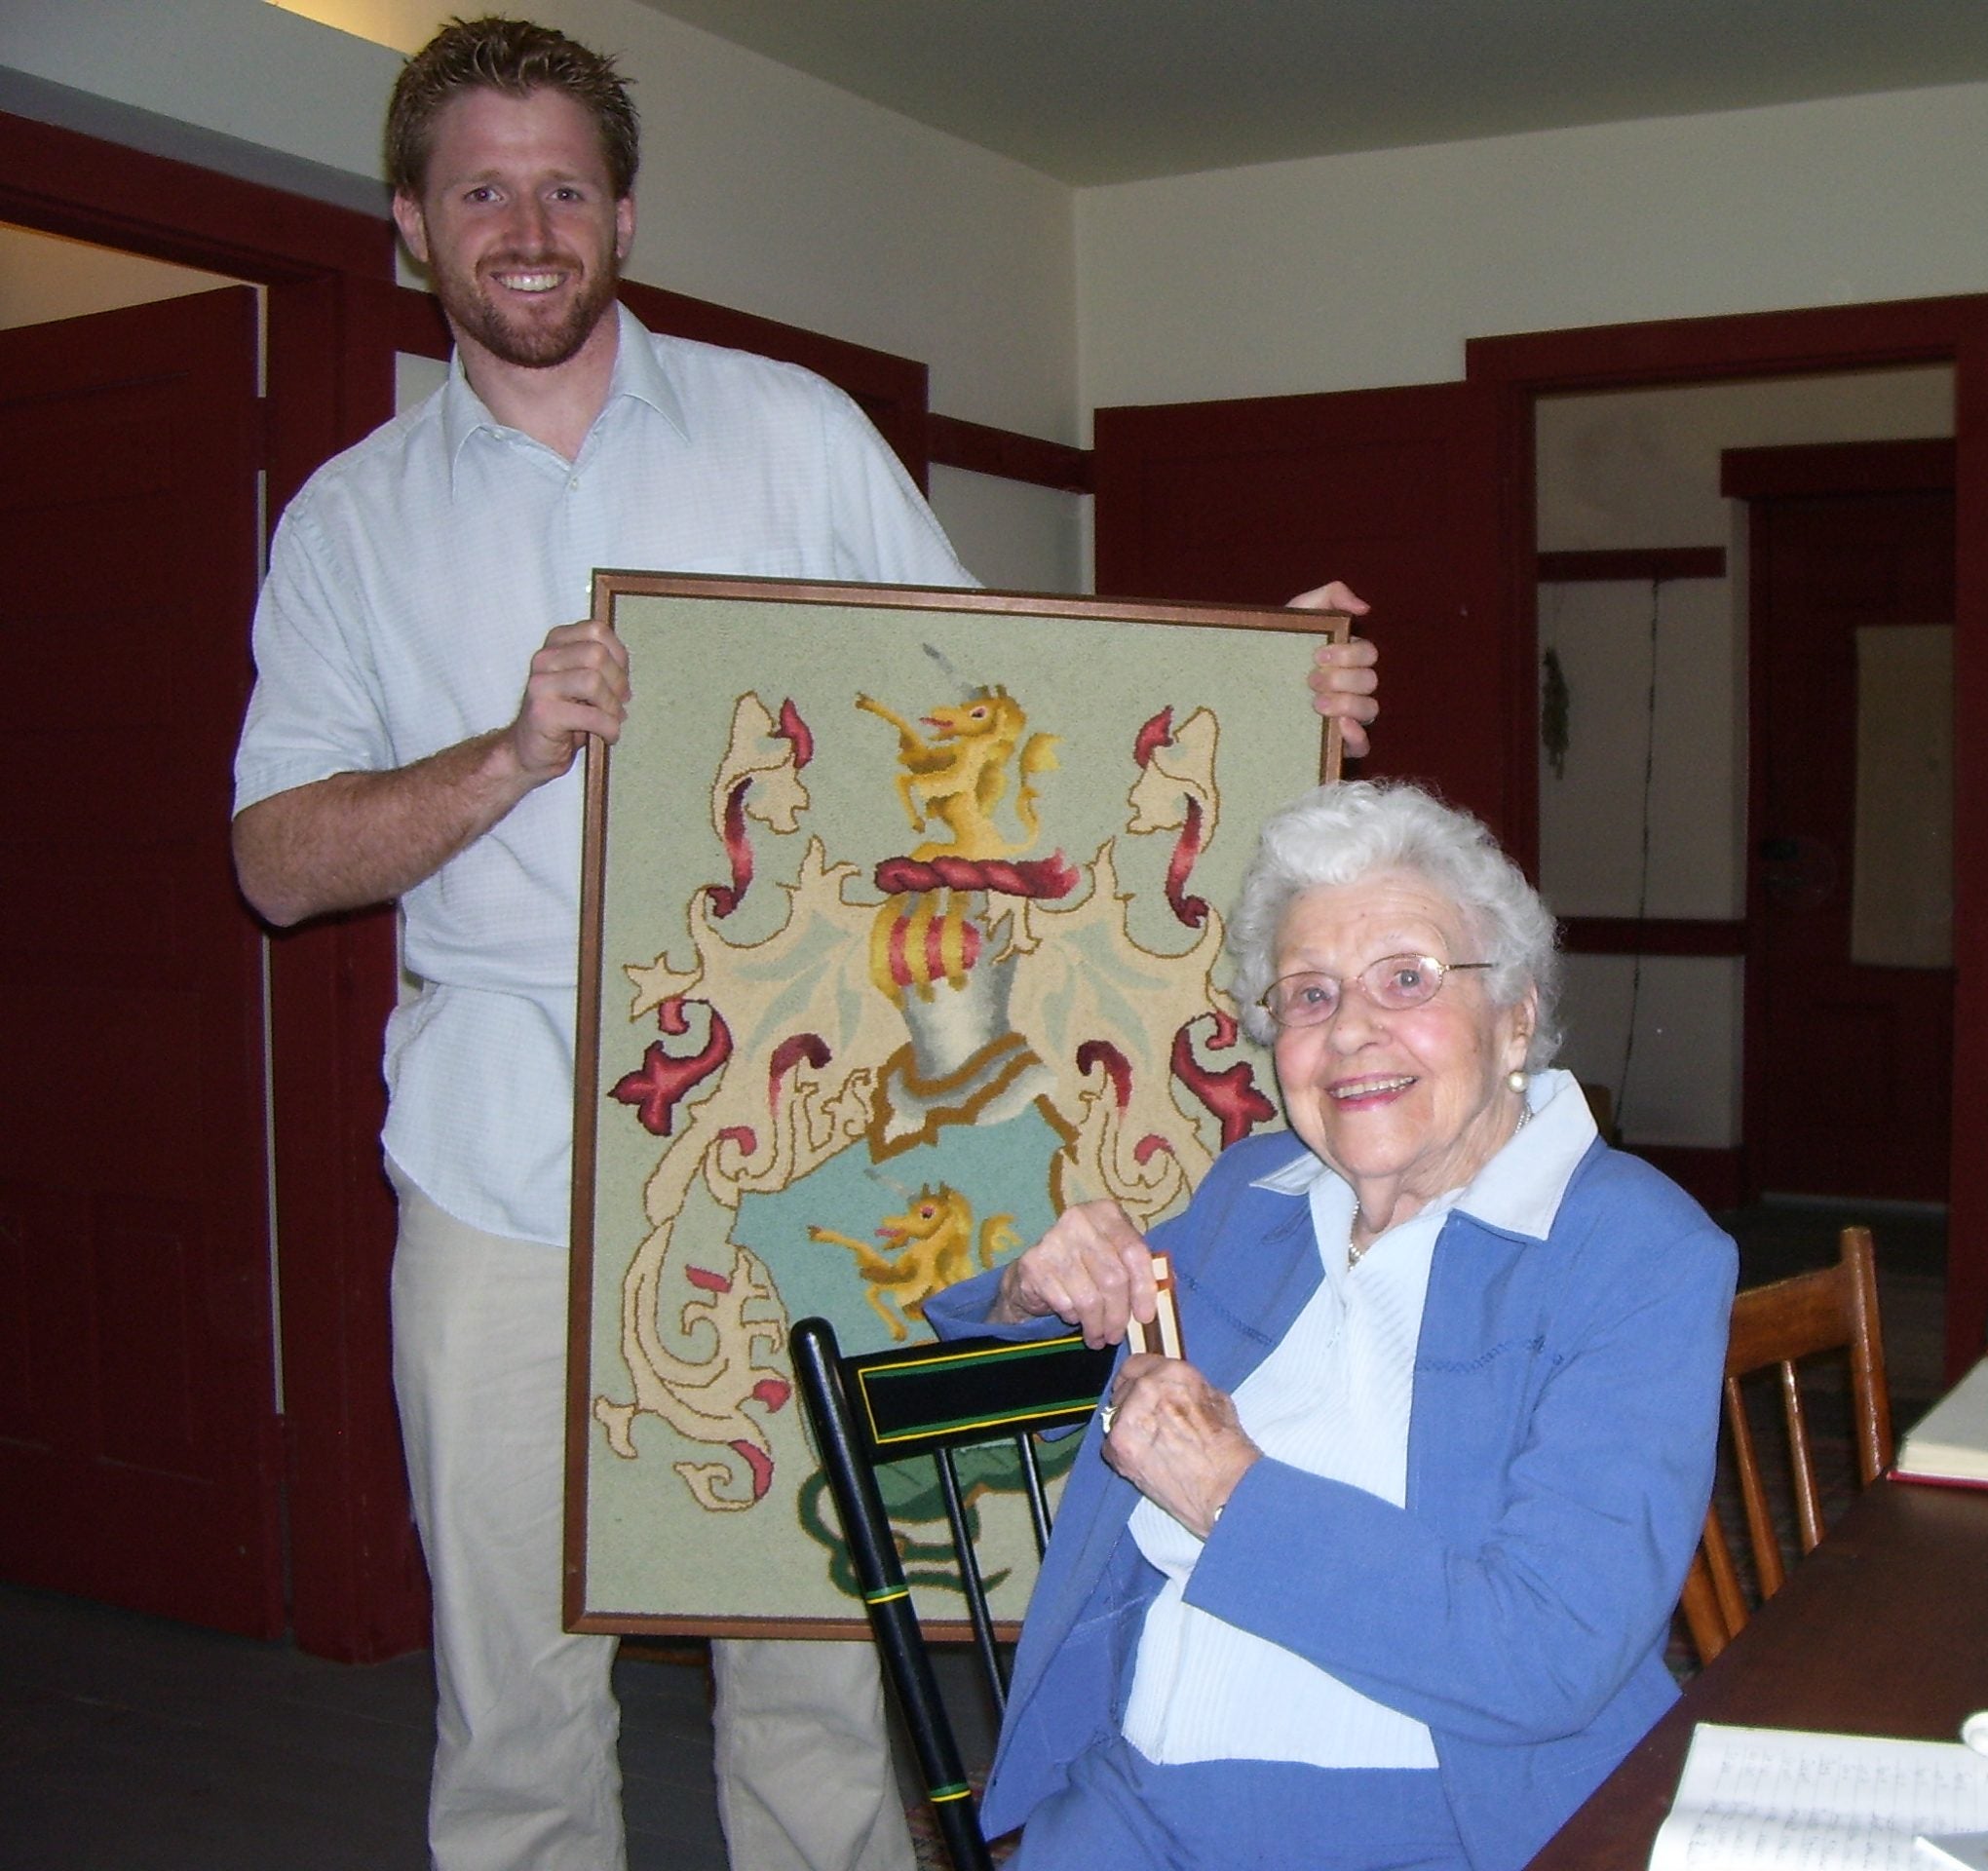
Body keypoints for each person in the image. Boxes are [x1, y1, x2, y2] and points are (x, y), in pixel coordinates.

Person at [227, 18, 1378, 1871]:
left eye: (566, 189)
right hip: (500, 1167)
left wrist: (1256, 683)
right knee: (512, 1697)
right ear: (409, 230)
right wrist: (512, 756)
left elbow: (993, 716)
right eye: (482, 192)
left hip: (811, 1141)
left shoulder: (790, 433)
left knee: (826, 1671)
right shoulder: (350, 528)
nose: (528, 227)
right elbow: (278, 861)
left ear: (623, 216)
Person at [923, 780, 1737, 1871]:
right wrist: (1032, 1292)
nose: (1350, 1029)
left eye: (1406, 978)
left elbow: (1545, 1654)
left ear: (1517, 1015)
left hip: (1438, 1831)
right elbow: (976, 1411)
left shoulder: (1633, 1251)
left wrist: (1227, 1492)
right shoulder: (1251, 1198)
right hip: (1124, 1810)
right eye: (1307, 995)